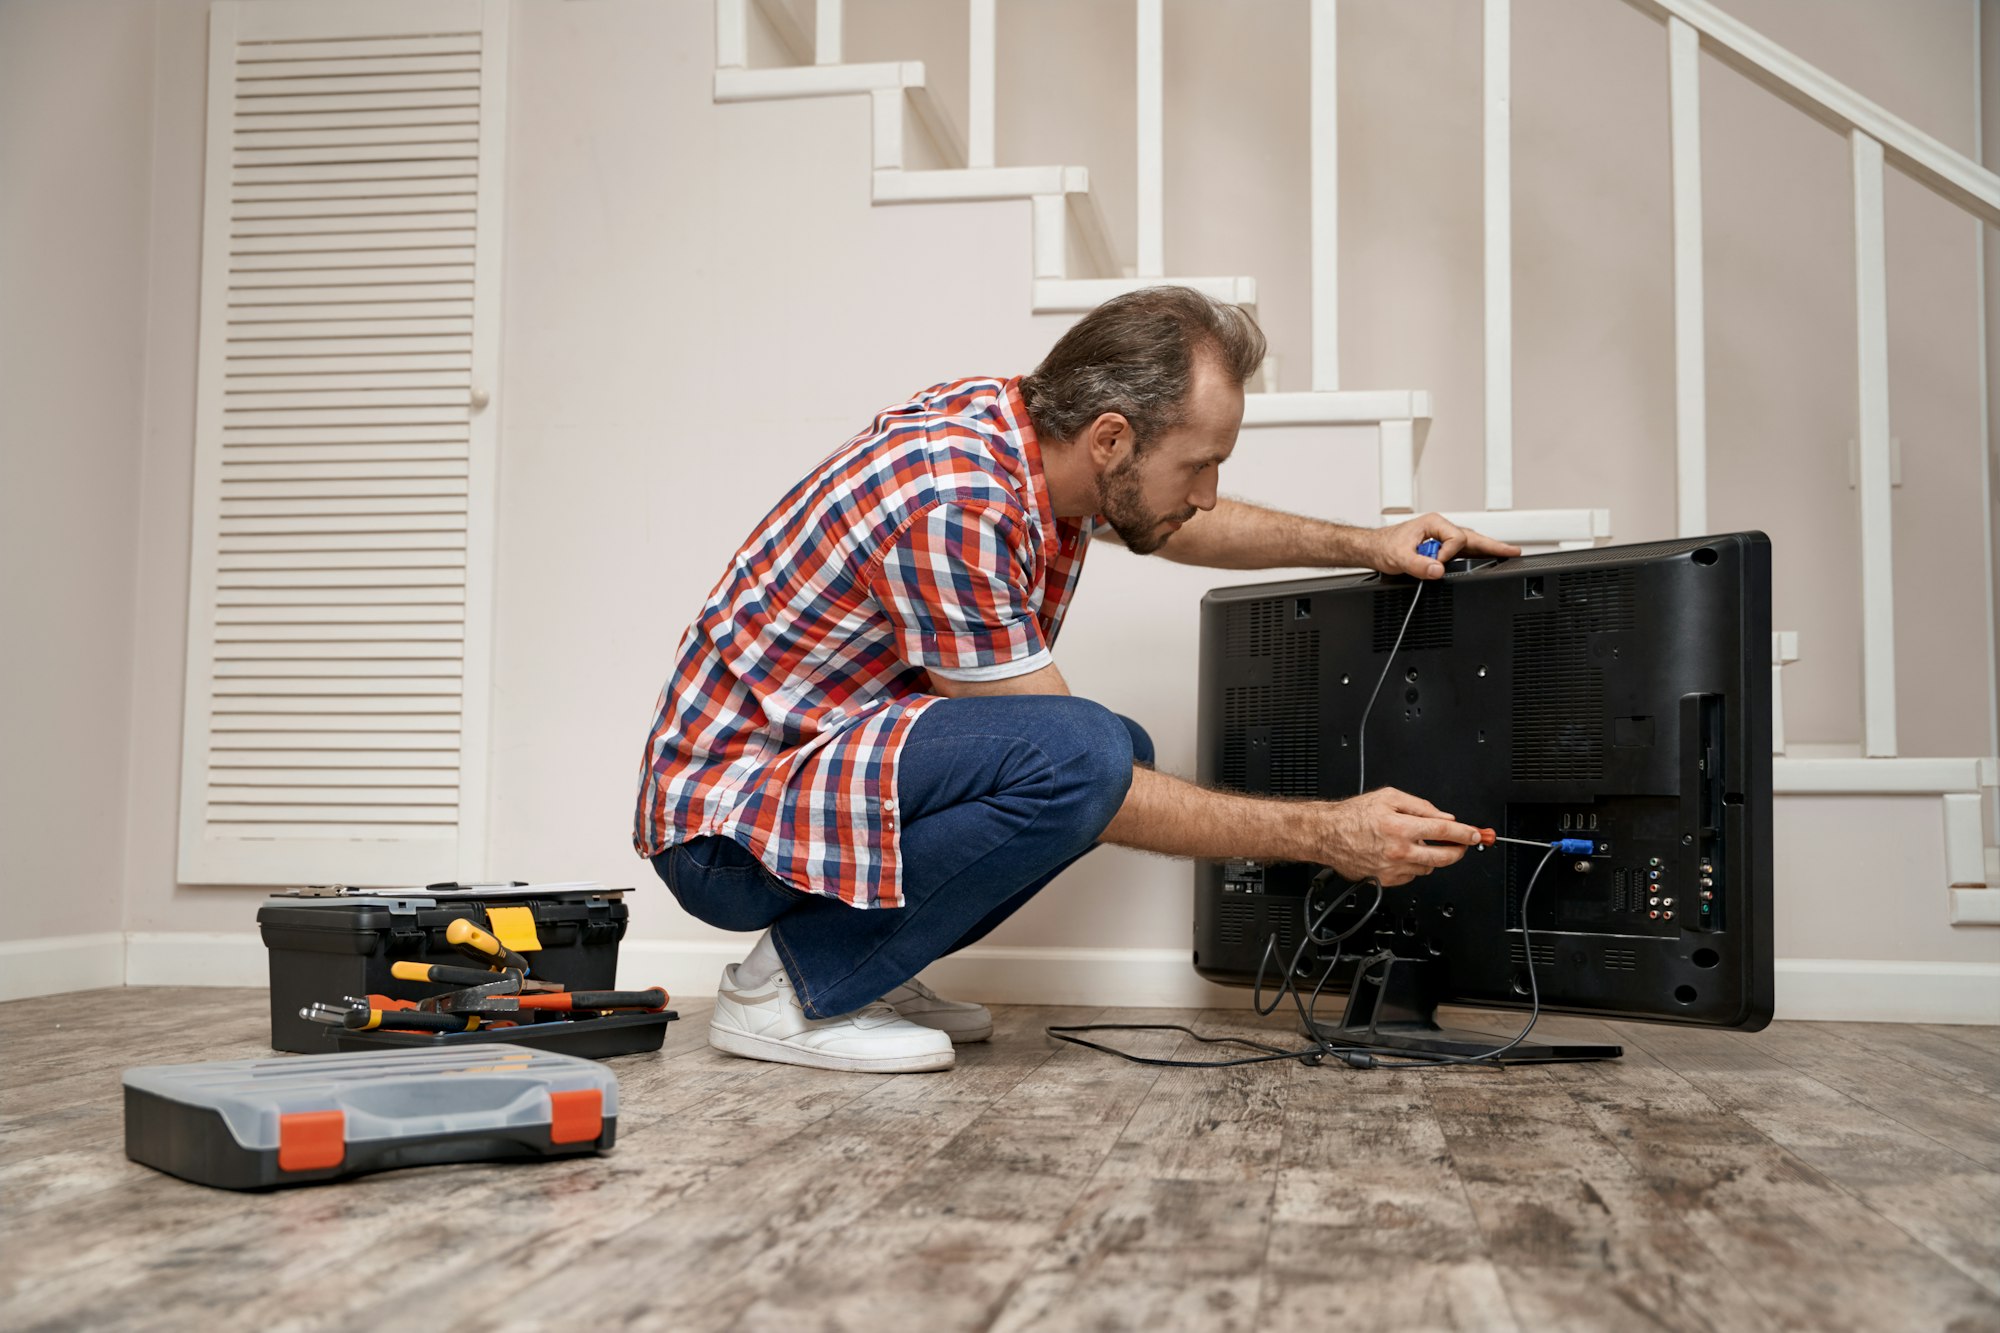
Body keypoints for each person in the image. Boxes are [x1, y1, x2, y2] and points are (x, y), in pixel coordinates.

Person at [635, 286, 1519, 1073]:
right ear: (1111, 437)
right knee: (1091, 759)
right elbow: (1082, 777)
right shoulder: (958, 502)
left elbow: (1171, 521)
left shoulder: (1029, 435)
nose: (1208, 491)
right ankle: (783, 990)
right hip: (728, 833)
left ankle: (867, 964)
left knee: (1109, 749)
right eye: (1200, 463)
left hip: (807, 788)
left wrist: (1370, 544)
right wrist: (1331, 835)